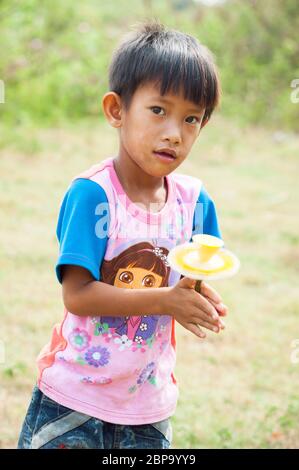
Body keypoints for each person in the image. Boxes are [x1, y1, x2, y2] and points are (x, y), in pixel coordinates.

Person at [18, 20, 228, 450]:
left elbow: (189, 276)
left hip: (148, 404)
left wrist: (198, 297)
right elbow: (78, 295)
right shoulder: (94, 194)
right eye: (159, 110)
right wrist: (166, 301)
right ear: (117, 110)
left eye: (192, 119)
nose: (175, 132)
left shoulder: (195, 201)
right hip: (75, 400)